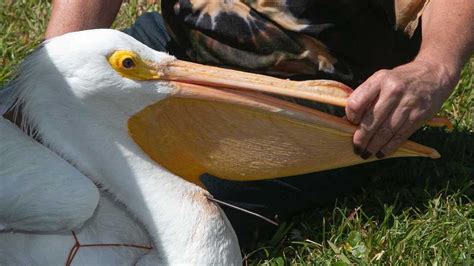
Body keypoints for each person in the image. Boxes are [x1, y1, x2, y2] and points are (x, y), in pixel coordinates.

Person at [41, 0, 474, 247]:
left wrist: (434, 66)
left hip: (317, 95)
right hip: (170, 53)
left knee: (159, 221)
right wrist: (58, 69)